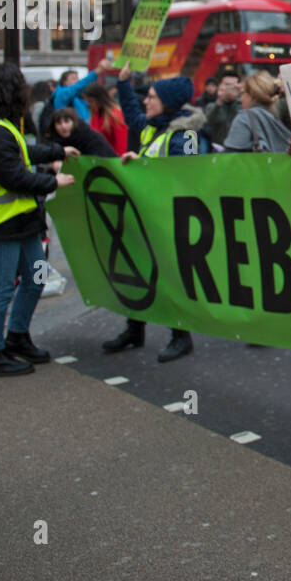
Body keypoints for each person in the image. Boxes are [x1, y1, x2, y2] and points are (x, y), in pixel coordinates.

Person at [0, 63, 77, 377]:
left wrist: (56, 151)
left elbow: (20, 153)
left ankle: (17, 337)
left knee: (35, 279)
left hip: (21, 223)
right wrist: (53, 182)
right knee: (2, 288)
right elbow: (12, 175)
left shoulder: (0, 125)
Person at [99, 57, 209, 361]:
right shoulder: (153, 126)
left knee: (170, 277)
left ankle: (181, 335)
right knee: (137, 271)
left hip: (170, 218)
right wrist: (123, 82)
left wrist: (142, 165)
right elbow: (133, 115)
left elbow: (182, 176)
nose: (145, 100)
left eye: (152, 97)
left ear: (169, 104)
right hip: (147, 213)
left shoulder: (184, 135)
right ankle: (135, 329)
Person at [223, 71, 291, 153]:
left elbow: (230, 154)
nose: (240, 99)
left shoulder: (244, 118)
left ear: (252, 95)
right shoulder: (276, 117)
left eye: (243, 93)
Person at [83, 81, 128, 155]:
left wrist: (119, 161)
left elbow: (121, 144)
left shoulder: (115, 115)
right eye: (87, 101)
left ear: (99, 99)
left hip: (112, 160)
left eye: (91, 101)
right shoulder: (95, 113)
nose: (89, 104)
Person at [49, 108, 116, 157]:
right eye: (59, 123)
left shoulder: (91, 138)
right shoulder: (53, 145)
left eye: (67, 121)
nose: (63, 126)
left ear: (74, 122)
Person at [205, 70, 242, 147]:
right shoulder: (212, 106)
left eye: (232, 86)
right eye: (227, 85)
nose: (229, 89)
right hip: (217, 149)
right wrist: (219, 102)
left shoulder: (243, 106)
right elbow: (208, 123)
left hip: (237, 150)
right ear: (220, 86)